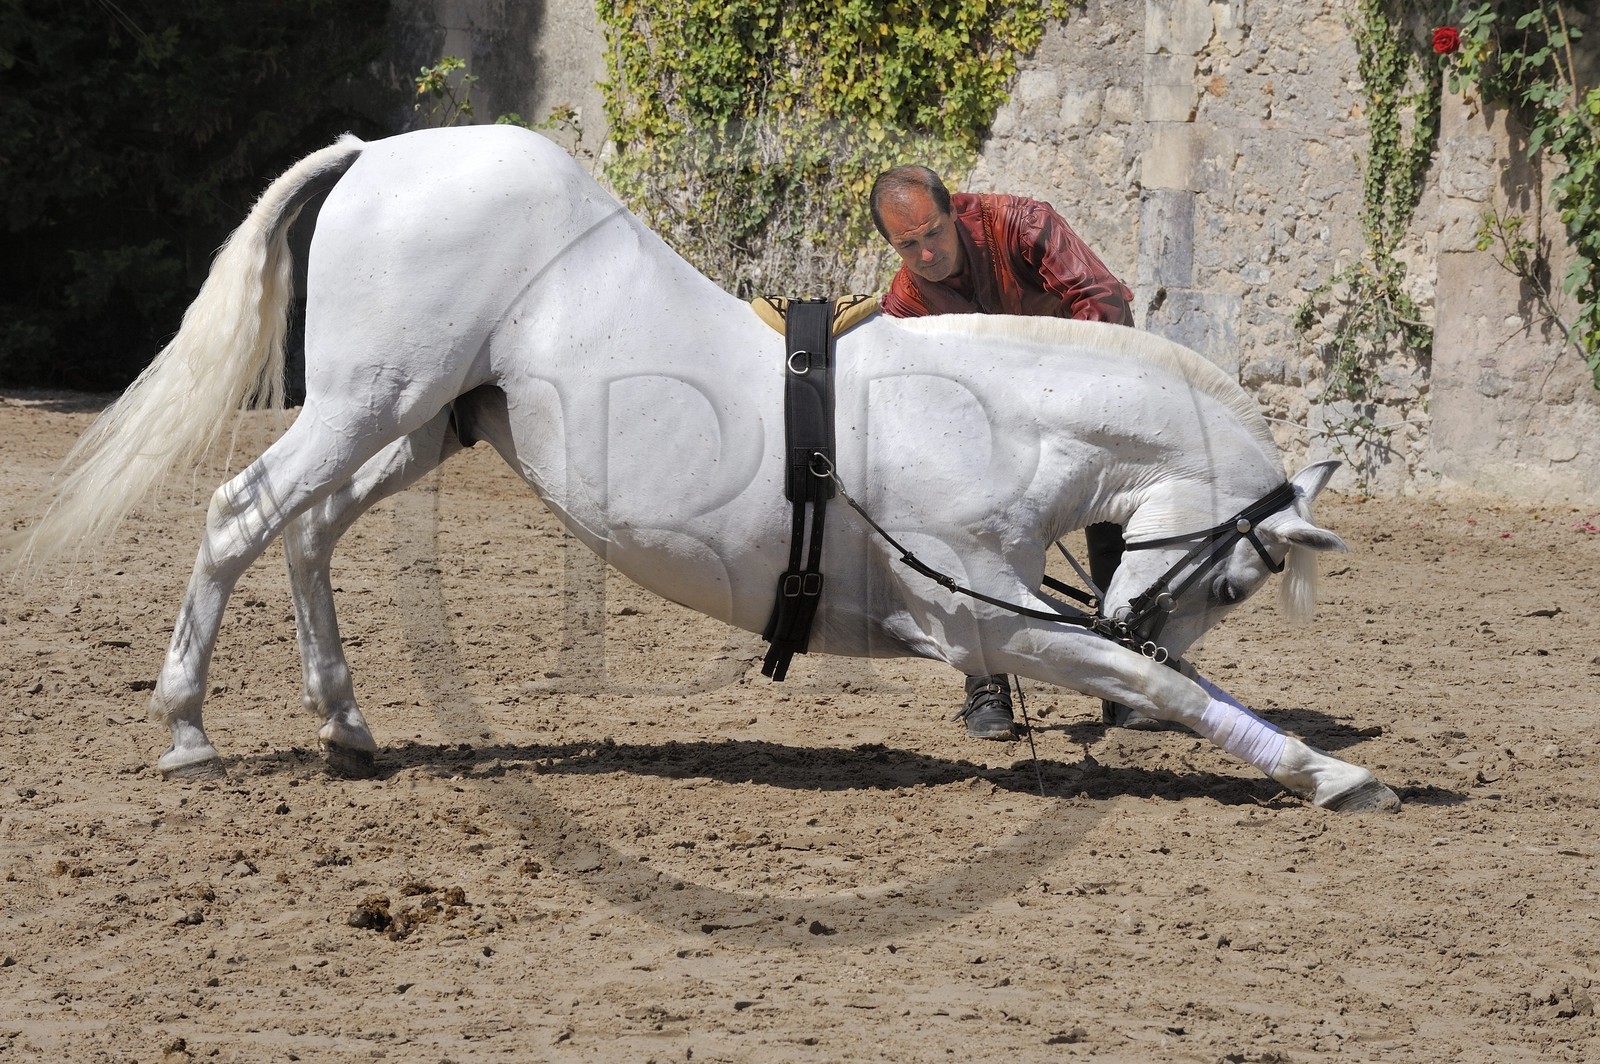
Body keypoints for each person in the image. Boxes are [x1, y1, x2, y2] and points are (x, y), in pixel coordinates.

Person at [869, 164, 1135, 740]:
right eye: (908, 245)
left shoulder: (1023, 224)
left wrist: (1059, 395)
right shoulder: (906, 304)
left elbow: (1105, 301)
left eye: (933, 233)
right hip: (994, 426)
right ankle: (985, 682)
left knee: (1113, 527)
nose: (927, 254)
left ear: (953, 212)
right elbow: (905, 391)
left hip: (1082, 391)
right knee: (966, 525)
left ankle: (1128, 677)